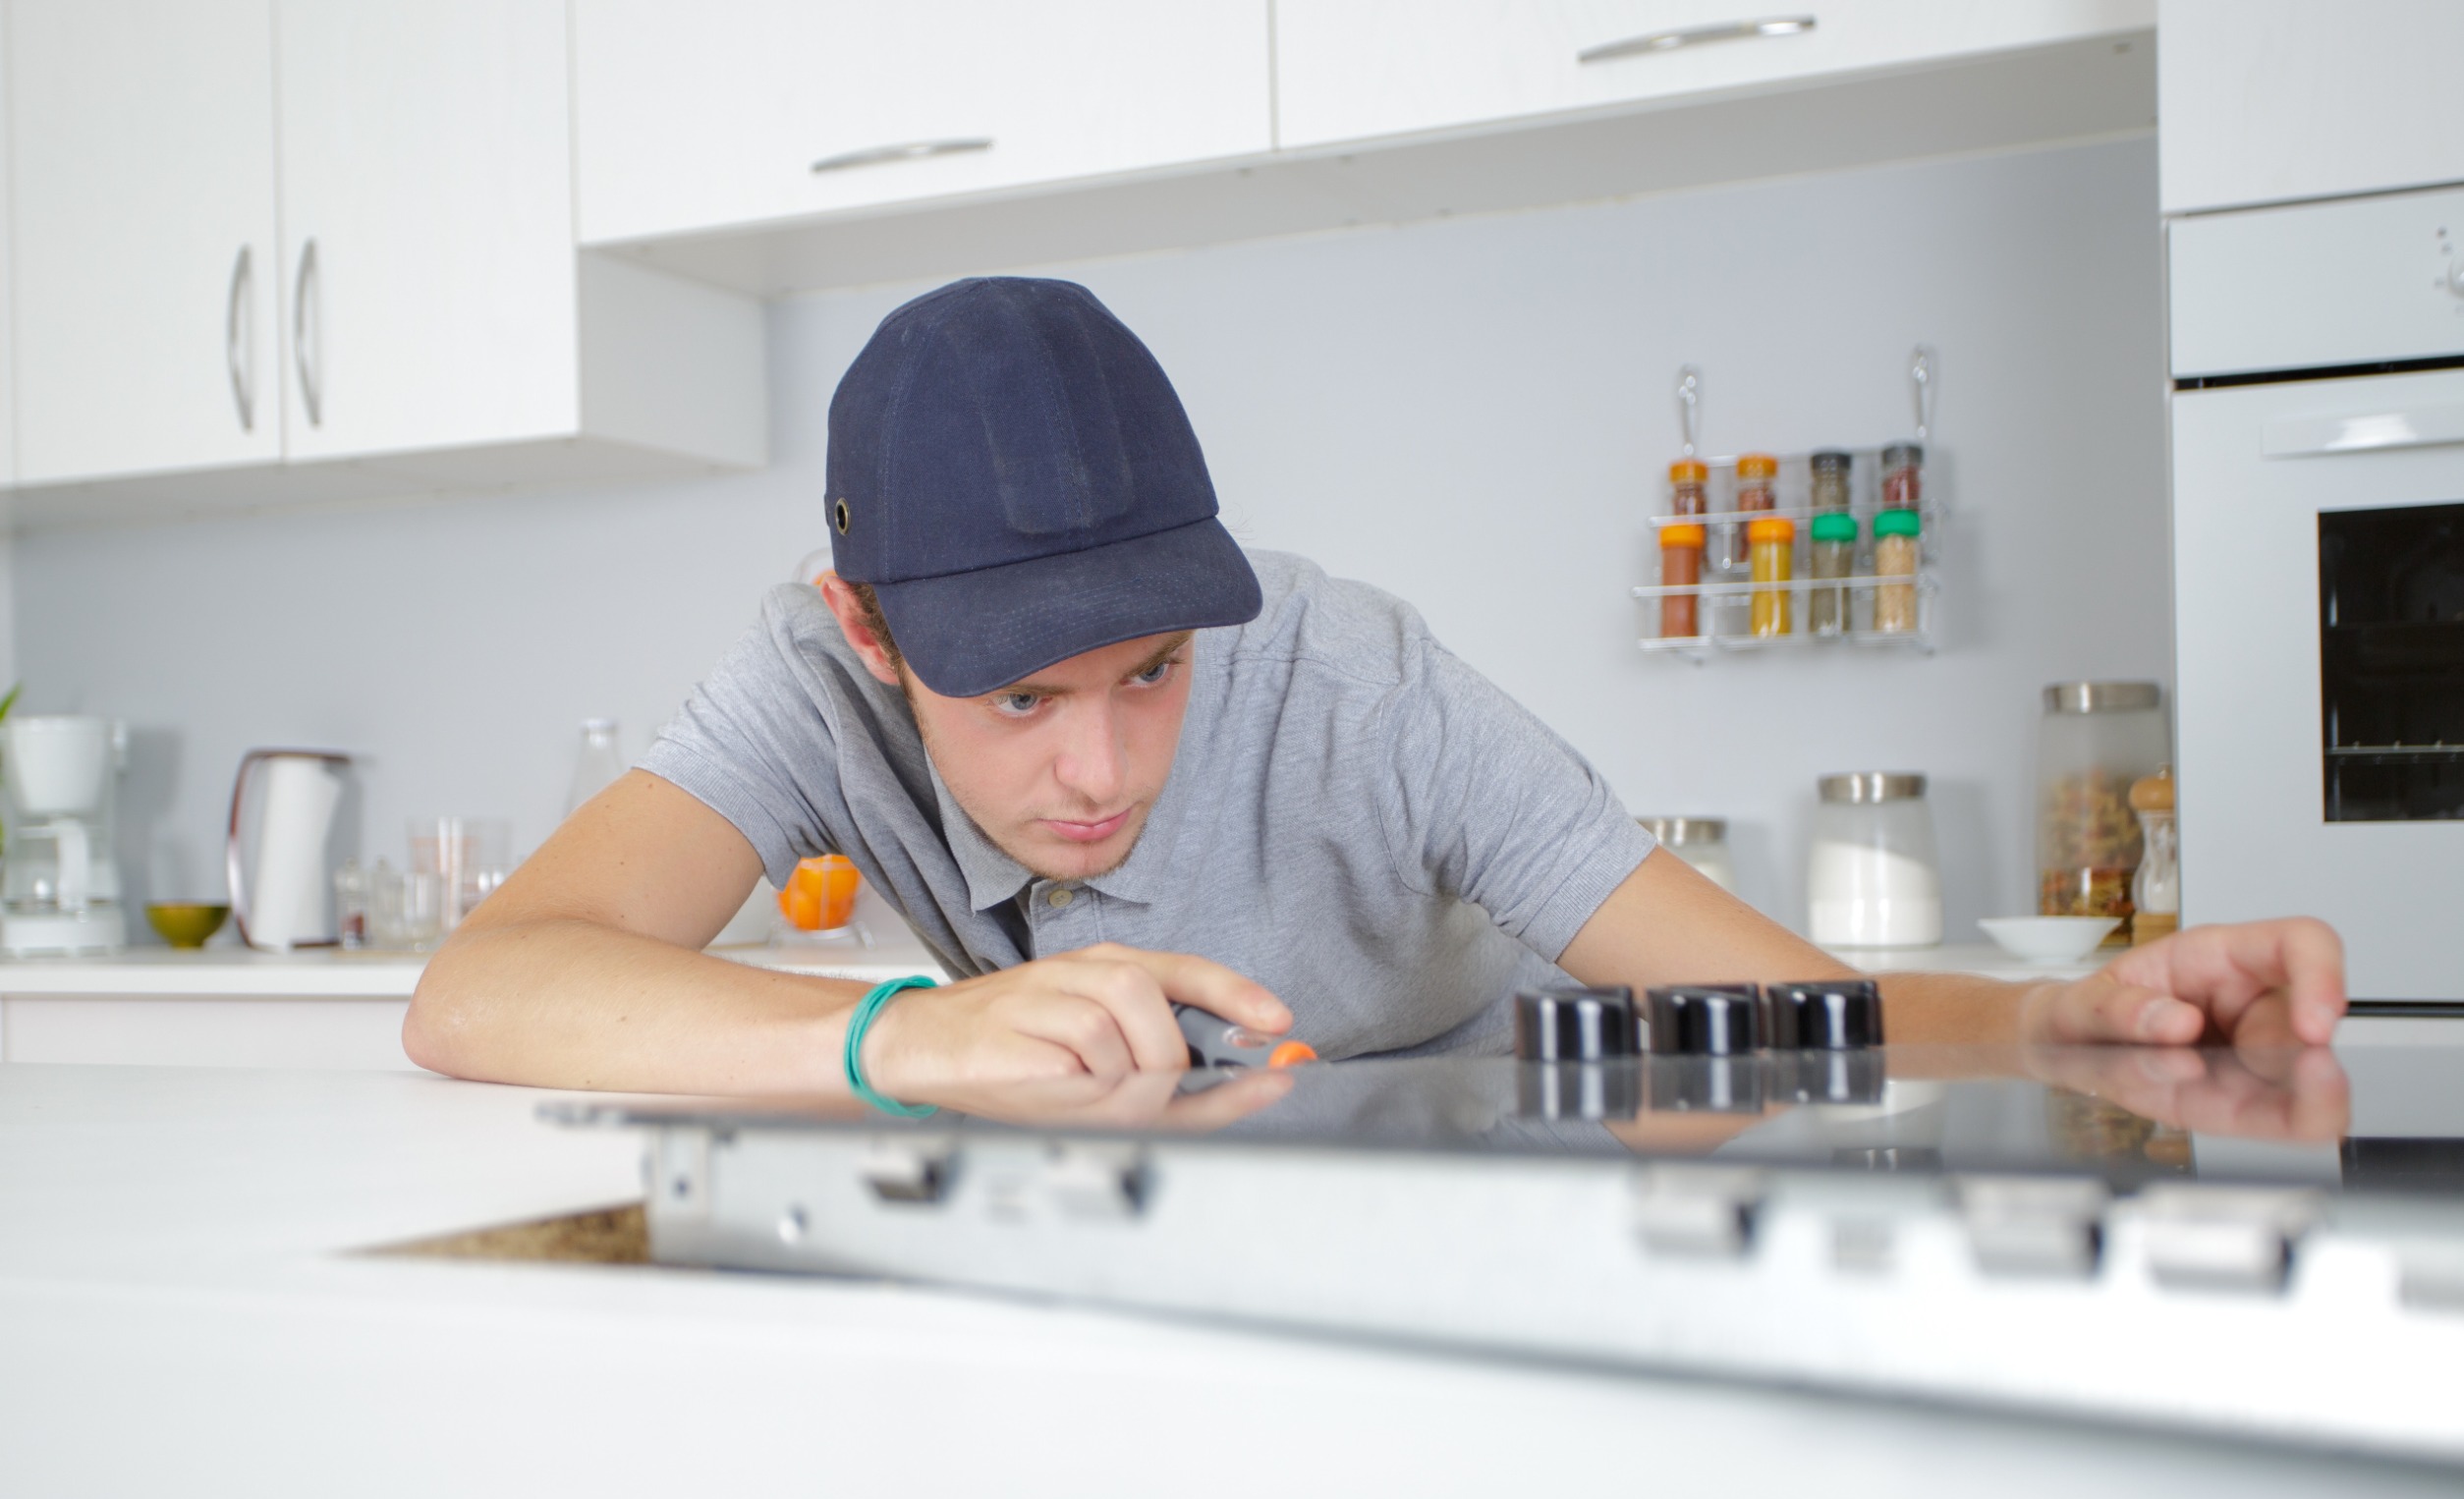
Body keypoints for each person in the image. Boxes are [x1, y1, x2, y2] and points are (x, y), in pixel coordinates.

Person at [404, 277, 2344, 1106]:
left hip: (1436, 1173)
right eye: (1018, 696)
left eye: (1150, 670)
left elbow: (1763, 1005)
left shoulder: (1358, 680)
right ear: (872, 631)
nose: (1098, 766)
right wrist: (893, 1037)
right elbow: (482, 985)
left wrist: (2058, 1019)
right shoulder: (805, 672)